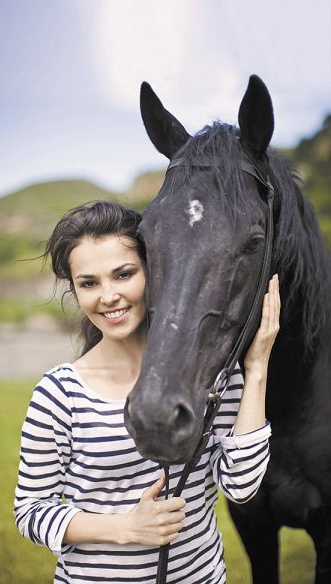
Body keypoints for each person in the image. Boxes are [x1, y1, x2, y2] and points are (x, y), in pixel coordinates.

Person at [14, 200, 280, 584]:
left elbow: (240, 486)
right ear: (74, 290)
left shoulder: (209, 376)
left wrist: (255, 369)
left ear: (154, 271)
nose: (107, 296)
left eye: (123, 274)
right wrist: (125, 528)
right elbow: (30, 511)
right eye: (89, 283)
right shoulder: (58, 393)